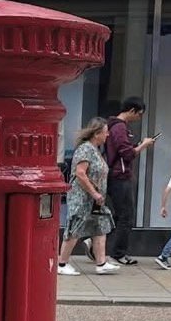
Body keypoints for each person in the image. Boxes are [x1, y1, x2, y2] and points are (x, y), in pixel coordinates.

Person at [57, 118, 119, 276]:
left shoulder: (95, 149)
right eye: (105, 132)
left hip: (95, 200)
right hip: (83, 198)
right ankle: (61, 264)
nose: (108, 134)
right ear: (97, 133)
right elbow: (80, 173)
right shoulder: (85, 149)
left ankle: (101, 263)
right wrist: (94, 193)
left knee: (101, 225)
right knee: (75, 228)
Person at [104, 97, 156, 264]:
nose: (139, 118)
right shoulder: (119, 127)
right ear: (132, 110)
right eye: (139, 114)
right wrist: (143, 145)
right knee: (126, 216)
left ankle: (95, 243)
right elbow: (127, 154)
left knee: (118, 215)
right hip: (120, 176)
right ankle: (118, 254)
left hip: (116, 174)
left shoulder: (113, 126)